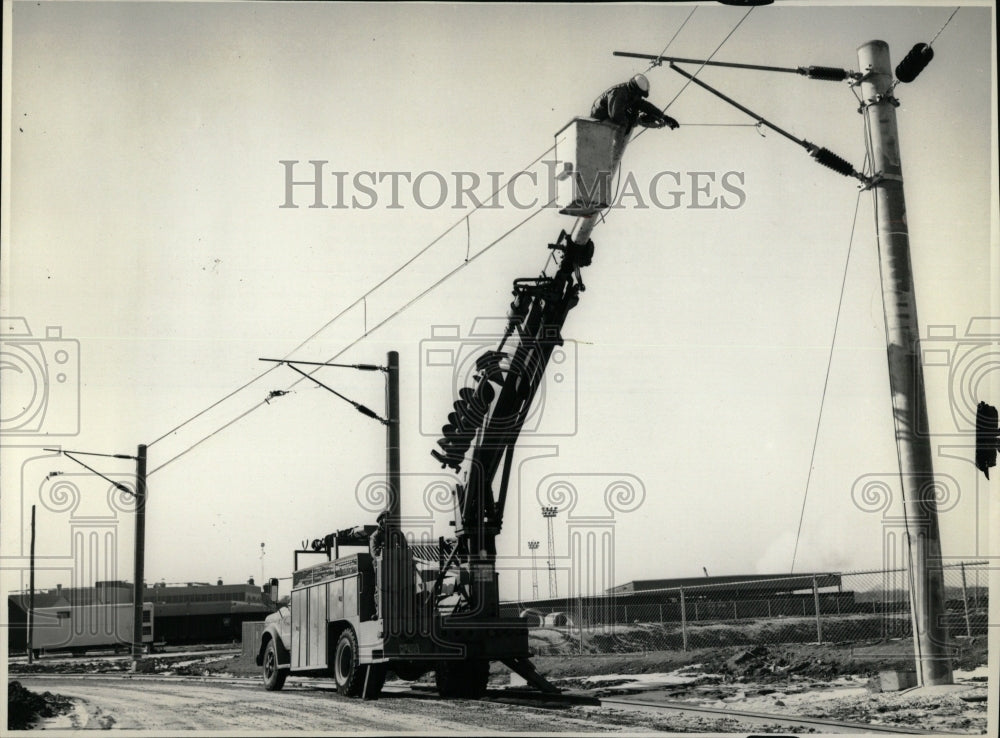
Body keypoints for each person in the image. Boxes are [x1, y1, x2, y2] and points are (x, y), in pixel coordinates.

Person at [591, 74, 679, 133]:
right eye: (639, 94)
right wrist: (635, 121)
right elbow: (616, 115)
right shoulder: (619, 93)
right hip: (600, 121)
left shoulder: (632, 95)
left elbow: (645, 106)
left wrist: (664, 117)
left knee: (632, 115)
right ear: (635, 90)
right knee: (626, 122)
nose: (640, 97)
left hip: (609, 121)